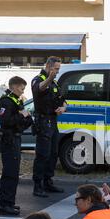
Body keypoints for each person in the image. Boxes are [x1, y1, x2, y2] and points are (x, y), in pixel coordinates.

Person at [31, 56, 66, 197]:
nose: (57, 71)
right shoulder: (38, 79)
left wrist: (64, 108)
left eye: (58, 69)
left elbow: (63, 100)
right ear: (48, 66)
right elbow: (39, 89)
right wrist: (49, 78)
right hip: (43, 121)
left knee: (53, 153)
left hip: (53, 120)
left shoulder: (55, 83)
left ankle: (48, 182)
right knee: (42, 154)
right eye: (56, 69)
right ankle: (37, 185)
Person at [0, 76, 33, 215]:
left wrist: (25, 117)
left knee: (14, 174)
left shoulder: (16, 100)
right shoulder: (5, 101)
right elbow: (6, 121)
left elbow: (24, 119)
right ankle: (4, 205)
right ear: (13, 86)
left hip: (16, 139)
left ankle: (10, 202)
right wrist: (22, 116)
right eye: (21, 88)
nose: (23, 91)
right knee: (9, 174)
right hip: (9, 140)